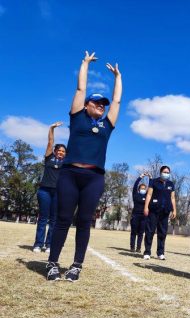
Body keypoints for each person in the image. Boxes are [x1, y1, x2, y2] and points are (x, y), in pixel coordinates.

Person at [46, 51, 122, 281]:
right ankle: (52, 263)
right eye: (97, 102)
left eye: (102, 104)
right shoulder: (77, 118)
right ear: (87, 104)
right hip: (69, 174)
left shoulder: (107, 126)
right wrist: (85, 64)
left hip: (94, 178)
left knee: (84, 221)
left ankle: (76, 265)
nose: (101, 105)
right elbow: (80, 89)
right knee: (62, 219)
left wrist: (118, 77)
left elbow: (116, 101)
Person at [33, 122, 66, 253]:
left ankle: (49, 244)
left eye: (63, 151)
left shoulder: (67, 163)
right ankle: (38, 244)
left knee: (54, 220)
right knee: (43, 218)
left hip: (58, 193)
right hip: (44, 191)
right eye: (59, 150)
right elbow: (50, 142)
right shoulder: (49, 158)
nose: (61, 153)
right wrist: (51, 128)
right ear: (55, 151)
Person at [143, 166, 176, 260]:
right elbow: (149, 194)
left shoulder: (171, 184)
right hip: (154, 210)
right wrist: (146, 207)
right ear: (160, 172)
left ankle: (160, 253)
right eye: (165, 172)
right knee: (150, 231)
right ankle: (147, 252)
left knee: (162, 232)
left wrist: (174, 209)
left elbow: (172, 198)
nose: (166, 174)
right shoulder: (153, 181)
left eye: (168, 172)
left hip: (165, 211)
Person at [130, 173, 151, 253]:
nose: (143, 189)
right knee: (133, 232)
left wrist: (150, 178)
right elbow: (135, 186)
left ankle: (138, 248)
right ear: (139, 189)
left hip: (144, 217)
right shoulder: (135, 195)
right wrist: (140, 177)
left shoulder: (146, 196)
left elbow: (150, 188)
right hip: (135, 216)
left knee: (141, 233)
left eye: (144, 188)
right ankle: (132, 247)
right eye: (141, 188)